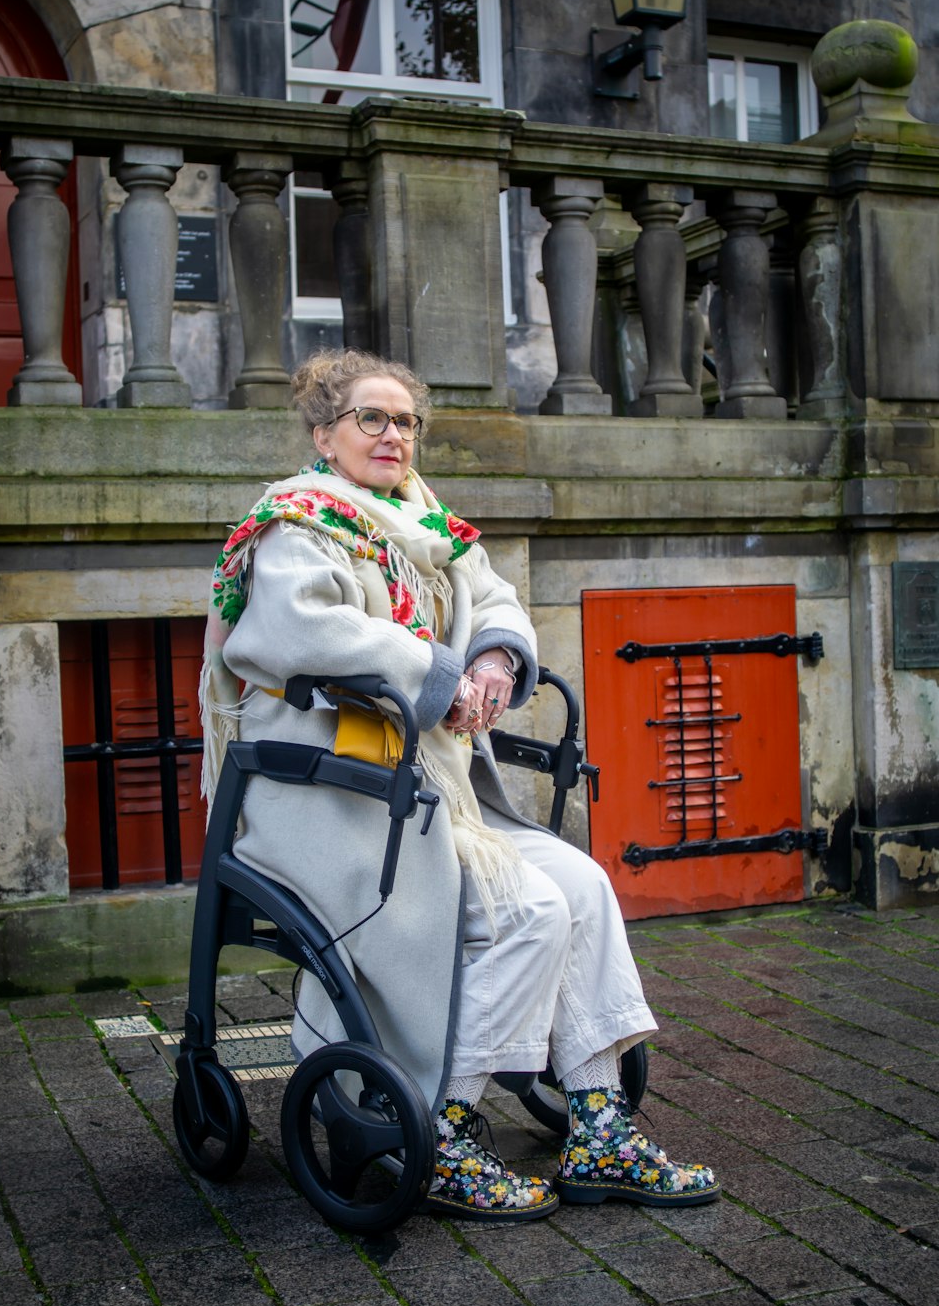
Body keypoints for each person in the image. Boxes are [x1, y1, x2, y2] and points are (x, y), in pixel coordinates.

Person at [201, 348, 718, 1223]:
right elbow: (300, 633)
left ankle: (599, 1127)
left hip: (428, 782)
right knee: (529, 911)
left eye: (405, 420)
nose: (393, 434)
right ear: (325, 434)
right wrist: (440, 674)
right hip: (330, 791)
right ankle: (445, 1130)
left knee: (584, 886)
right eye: (372, 418)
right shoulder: (295, 525)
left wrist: (488, 660)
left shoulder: (426, 523)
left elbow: (498, 597)